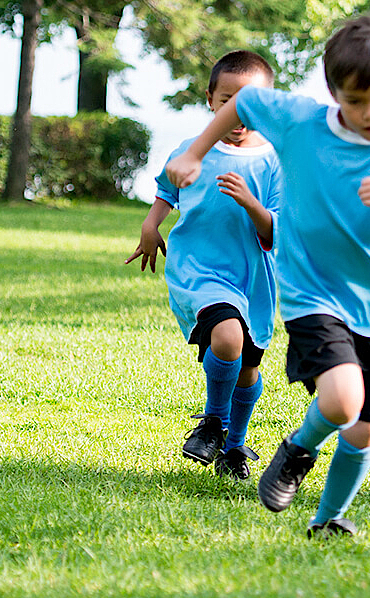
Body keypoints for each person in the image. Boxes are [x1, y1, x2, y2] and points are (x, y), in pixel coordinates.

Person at [166, 14, 370, 538]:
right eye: (357, 101)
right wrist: (196, 154)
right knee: (341, 401)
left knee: (362, 432)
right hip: (310, 292)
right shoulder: (301, 120)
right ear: (334, 90)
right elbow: (242, 104)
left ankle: (328, 519)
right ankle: (296, 449)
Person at [128, 50, 285, 480]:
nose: (238, 113)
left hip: (252, 278)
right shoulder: (191, 150)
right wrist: (150, 224)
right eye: (228, 100)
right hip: (200, 271)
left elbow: (275, 232)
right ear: (211, 100)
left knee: (249, 368)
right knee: (228, 335)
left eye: (250, 103)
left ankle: (233, 447)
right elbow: (167, 188)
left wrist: (250, 202)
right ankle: (213, 423)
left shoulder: (274, 161)